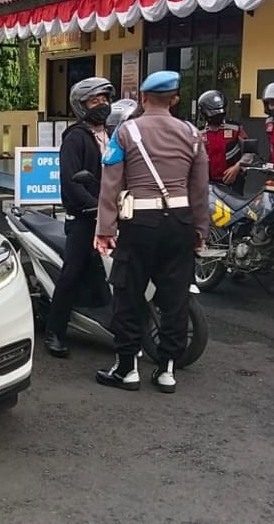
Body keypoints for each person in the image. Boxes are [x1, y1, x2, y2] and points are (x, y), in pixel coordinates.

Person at [94, 70, 209, 394]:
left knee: (128, 295)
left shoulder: (126, 131)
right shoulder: (192, 134)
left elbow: (111, 184)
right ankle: (167, 370)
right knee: (175, 298)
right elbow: (200, 189)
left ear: (143, 98)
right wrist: (200, 228)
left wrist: (105, 228)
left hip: (139, 223)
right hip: (180, 222)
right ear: (175, 99)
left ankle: (127, 369)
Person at [43, 77, 115, 358]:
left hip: (114, 214)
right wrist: (95, 206)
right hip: (85, 218)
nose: (102, 105)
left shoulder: (112, 134)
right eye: (95, 101)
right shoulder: (75, 138)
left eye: (105, 100)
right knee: (72, 273)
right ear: (81, 105)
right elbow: (71, 183)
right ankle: (55, 331)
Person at [195, 90, 252, 196]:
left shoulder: (235, 128)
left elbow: (249, 151)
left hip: (233, 182)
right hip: (208, 183)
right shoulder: (199, 133)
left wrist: (238, 166)